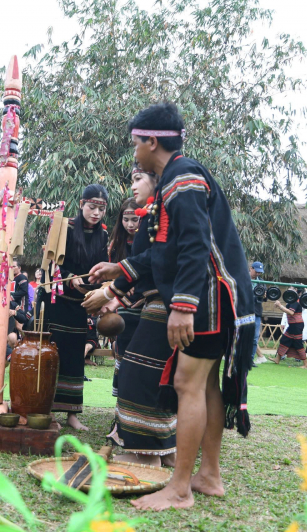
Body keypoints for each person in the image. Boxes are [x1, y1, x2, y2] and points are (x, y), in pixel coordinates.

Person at [91, 103, 254, 511]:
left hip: (208, 297)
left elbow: (195, 246)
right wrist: (120, 268)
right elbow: (161, 254)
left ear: (151, 141)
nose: (134, 154)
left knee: (188, 384)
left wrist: (182, 308)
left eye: (135, 144)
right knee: (206, 385)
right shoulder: (172, 180)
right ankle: (209, 476)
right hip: (216, 294)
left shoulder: (182, 177)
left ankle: (180, 489)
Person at [83, 164, 177, 467]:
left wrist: (111, 292)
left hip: (169, 303)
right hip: (157, 302)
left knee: (139, 375)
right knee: (155, 377)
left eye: (138, 179)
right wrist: (115, 288)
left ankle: (146, 455)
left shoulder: (163, 212)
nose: (133, 186)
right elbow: (147, 261)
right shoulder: (155, 213)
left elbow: (154, 259)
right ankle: (165, 450)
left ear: (156, 180)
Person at [44, 183, 109, 432]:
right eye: (92, 207)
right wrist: (69, 276)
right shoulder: (64, 227)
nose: (96, 213)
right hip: (56, 301)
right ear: (81, 204)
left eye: (101, 209)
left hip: (80, 303)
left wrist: (96, 283)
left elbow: (102, 267)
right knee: (53, 355)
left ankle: (72, 414)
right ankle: (47, 410)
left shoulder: (103, 235)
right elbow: (51, 263)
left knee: (74, 357)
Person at [273, 287, 307, 368]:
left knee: (298, 344)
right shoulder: (291, 301)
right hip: (292, 325)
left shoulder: (295, 302)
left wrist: (280, 306)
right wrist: (279, 306)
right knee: (284, 340)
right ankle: (277, 359)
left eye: (290, 289)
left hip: (297, 326)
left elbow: (291, 312)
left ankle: (306, 364)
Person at [107, 197, 140, 263]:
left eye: (135, 220)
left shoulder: (151, 241)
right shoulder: (116, 243)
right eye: (126, 220)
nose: (130, 225)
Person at [250, 262, 268, 364]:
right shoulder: (243, 278)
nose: (258, 274)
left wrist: (265, 296)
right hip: (243, 311)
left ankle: (250, 359)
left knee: (254, 337)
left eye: (259, 272)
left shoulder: (261, 282)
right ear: (251, 268)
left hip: (256, 312)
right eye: (256, 271)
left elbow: (265, 298)